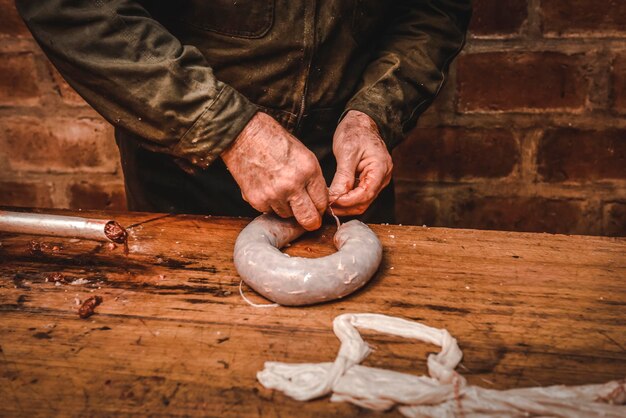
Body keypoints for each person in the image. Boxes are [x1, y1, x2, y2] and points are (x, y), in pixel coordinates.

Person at [16, 0, 471, 231]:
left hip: (343, 164)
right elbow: (74, 9)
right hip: (189, 159)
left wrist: (373, 112)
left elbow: (432, 9)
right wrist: (229, 129)